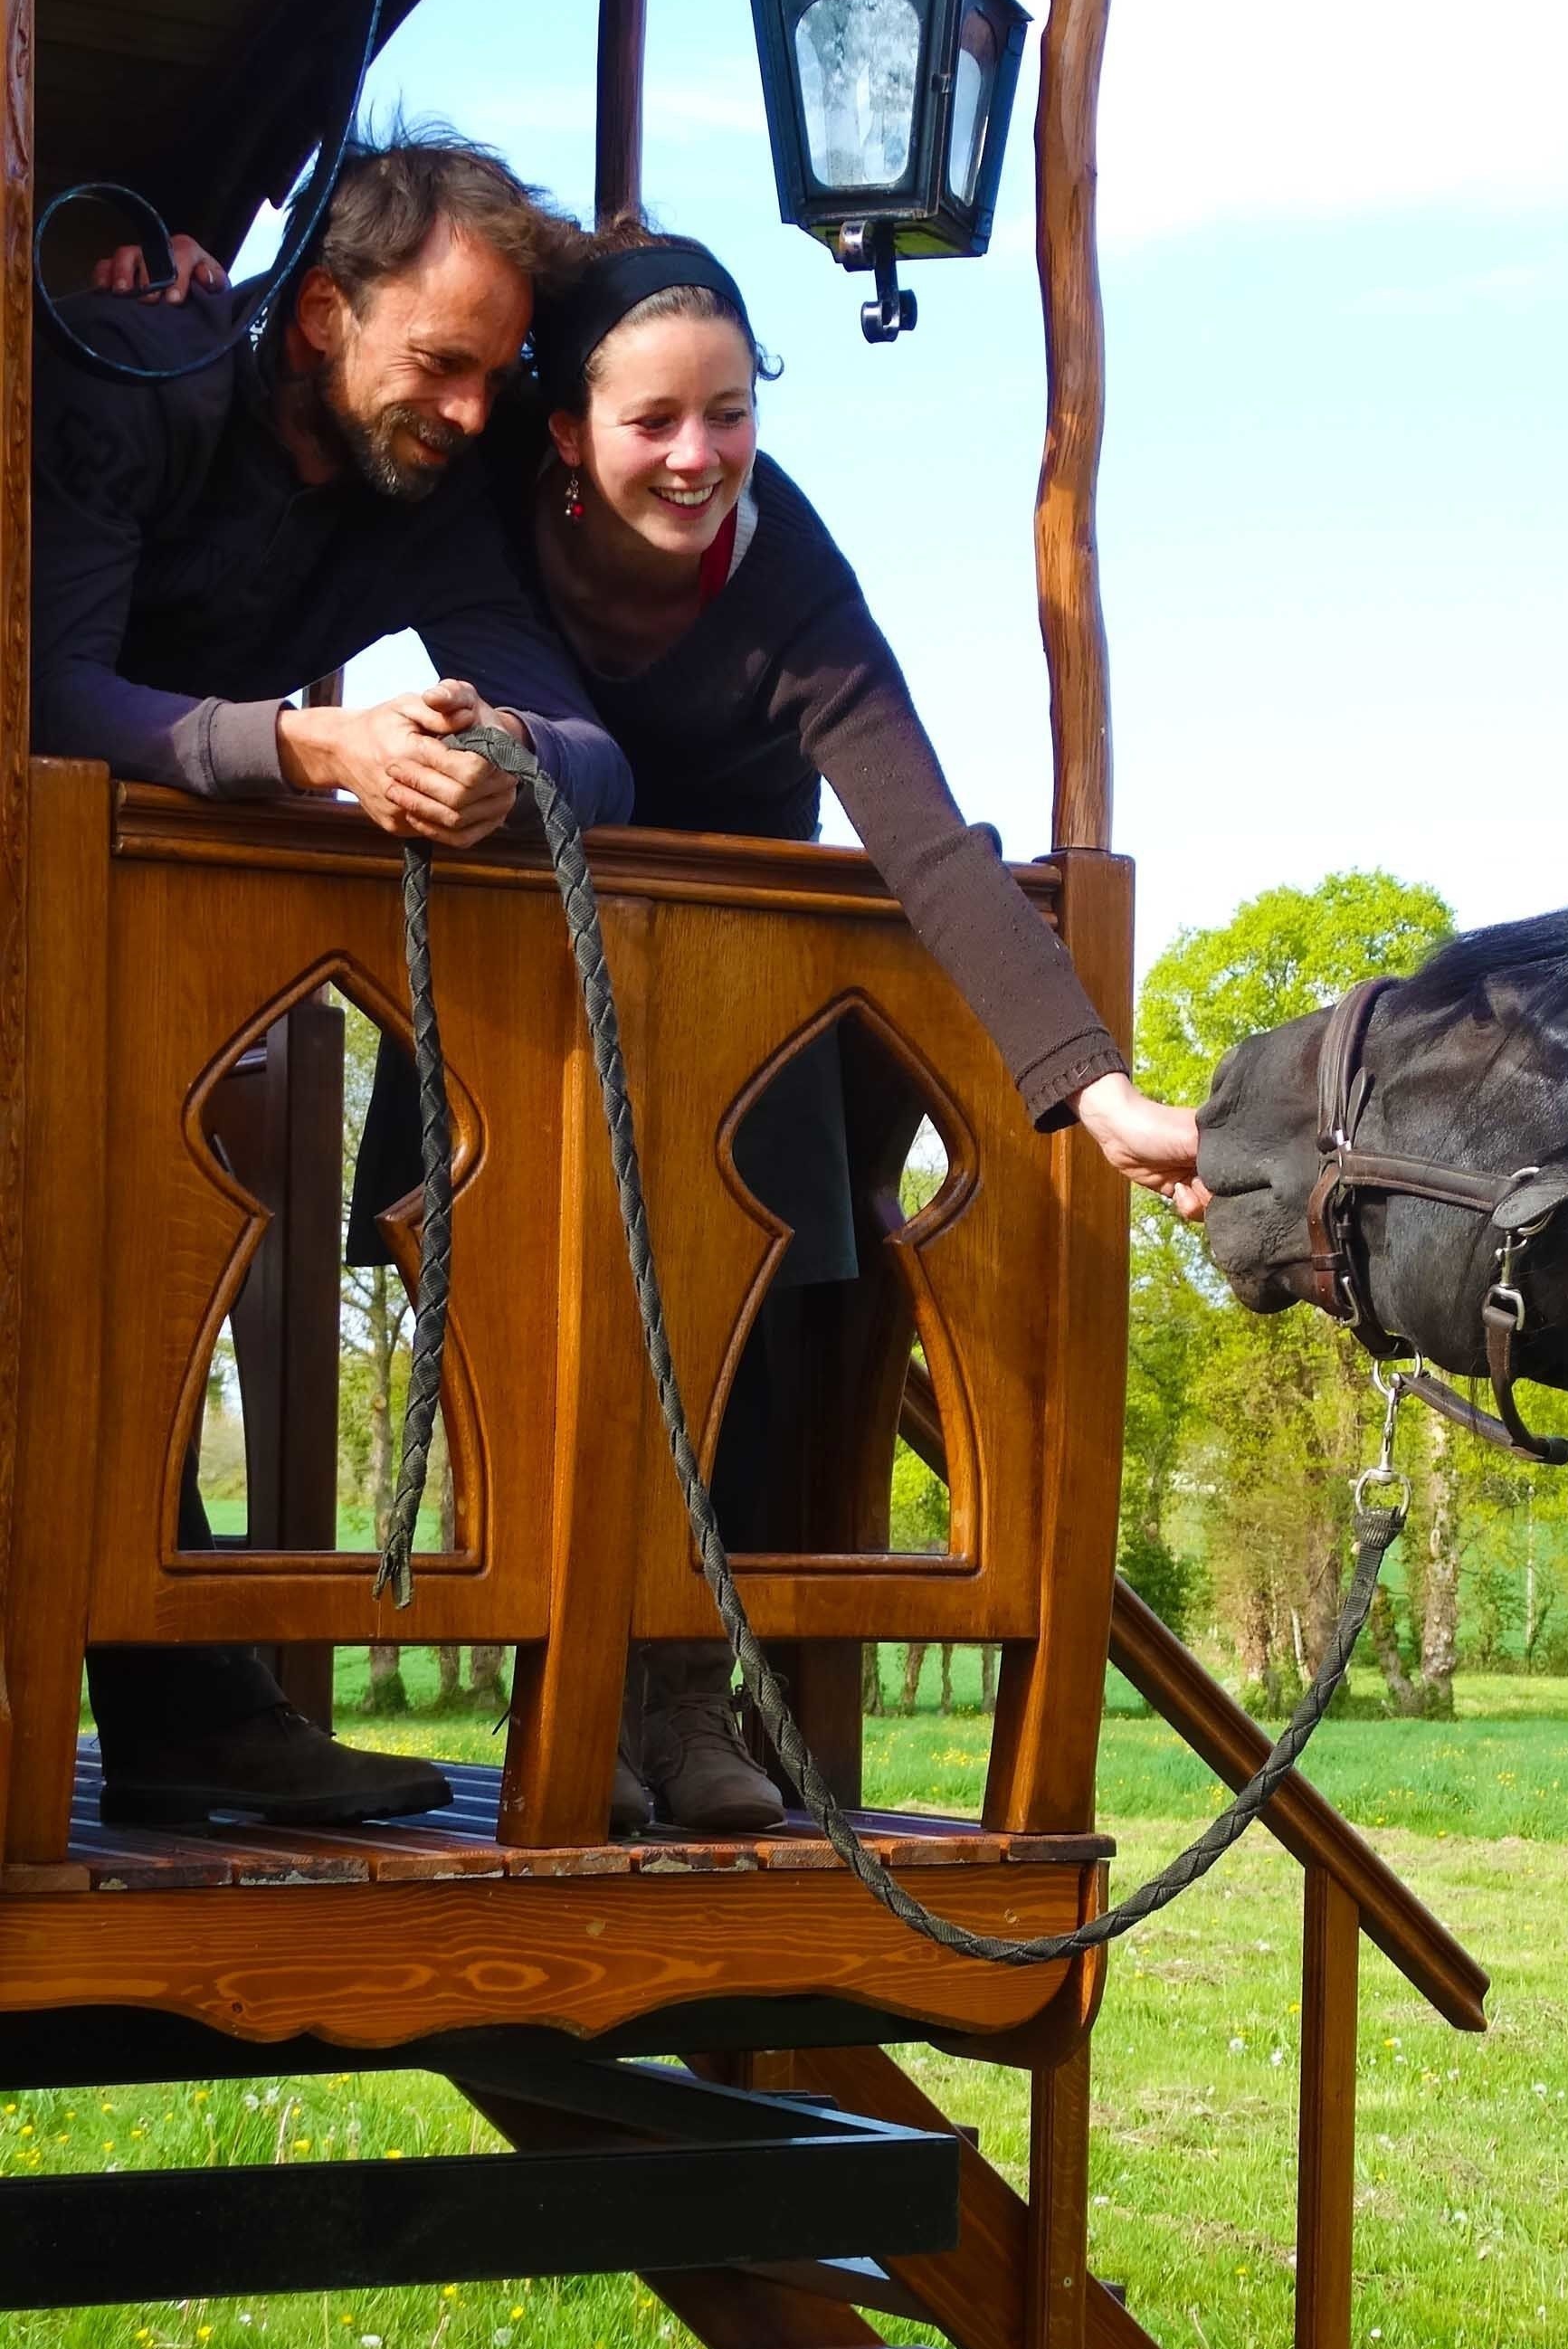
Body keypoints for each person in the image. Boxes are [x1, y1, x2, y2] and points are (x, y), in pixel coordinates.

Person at [438, 224, 1202, 1832]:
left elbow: (929, 846)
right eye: (654, 421)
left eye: (731, 413)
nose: (700, 454)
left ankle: (678, 1700)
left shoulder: (787, 578)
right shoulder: (472, 496)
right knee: (528, 1329)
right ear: (568, 430)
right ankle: (550, 1692)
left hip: (733, 992)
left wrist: (1095, 1091)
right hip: (528, 966)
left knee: (728, 1348)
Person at [40, 134, 633, 1827]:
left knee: (130, 1272)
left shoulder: (424, 503)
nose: (468, 413)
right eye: (438, 365)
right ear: (318, 315)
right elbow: (47, 688)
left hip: (136, 946)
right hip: (54, 889)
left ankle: (187, 1717)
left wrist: (503, 764)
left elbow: (596, 748)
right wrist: (313, 745)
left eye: (491, 374)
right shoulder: (137, 385)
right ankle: (190, 1712)